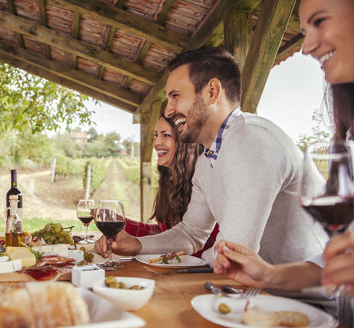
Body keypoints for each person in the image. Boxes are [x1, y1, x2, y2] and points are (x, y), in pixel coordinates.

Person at [95, 46, 328, 266]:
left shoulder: (250, 139)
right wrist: (136, 245)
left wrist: (203, 258)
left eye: (176, 96)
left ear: (212, 92)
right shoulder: (207, 161)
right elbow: (191, 233)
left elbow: (233, 252)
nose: (168, 109)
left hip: (315, 299)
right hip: (266, 293)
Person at [214, 0, 354, 293]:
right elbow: (337, 261)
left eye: (320, 21)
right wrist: (268, 274)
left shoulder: (252, 140)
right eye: (304, 31)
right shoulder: (348, 132)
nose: (307, 46)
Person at [97, 115, 219, 258]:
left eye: (166, 135)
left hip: (202, 274)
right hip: (175, 272)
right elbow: (164, 235)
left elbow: (198, 242)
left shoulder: (207, 181)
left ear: (186, 142)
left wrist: (136, 245)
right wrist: (123, 225)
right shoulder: (169, 181)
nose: (157, 142)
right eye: (156, 135)